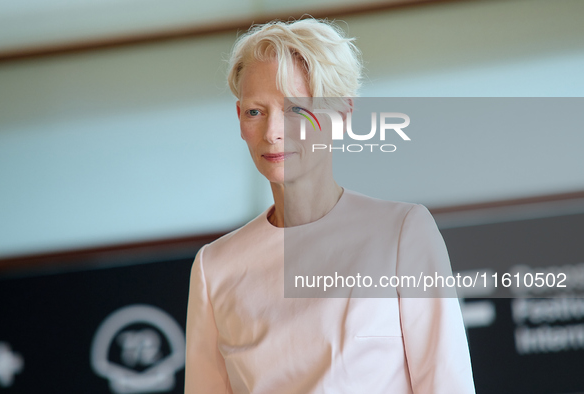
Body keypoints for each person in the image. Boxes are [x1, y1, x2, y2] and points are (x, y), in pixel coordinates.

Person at [185, 18, 475, 393]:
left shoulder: (402, 232)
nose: (273, 131)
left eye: (295, 110)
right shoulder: (215, 267)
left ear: (341, 116)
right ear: (240, 120)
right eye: (256, 111)